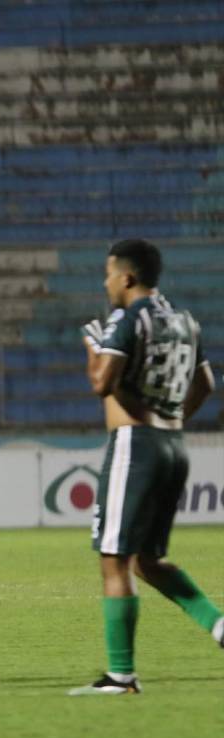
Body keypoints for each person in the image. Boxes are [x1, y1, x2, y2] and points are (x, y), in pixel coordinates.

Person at [70, 239, 222, 695]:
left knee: (115, 559)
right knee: (149, 561)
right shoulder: (183, 320)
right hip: (173, 444)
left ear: (127, 277)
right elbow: (207, 383)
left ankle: (121, 676)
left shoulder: (129, 319)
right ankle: (219, 626)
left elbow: (102, 384)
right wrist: (170, 419)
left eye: (109, 273)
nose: (106, 282)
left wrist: (93, 347)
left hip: (135, 445)